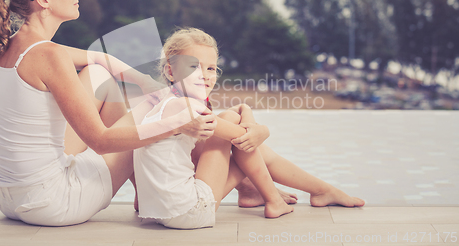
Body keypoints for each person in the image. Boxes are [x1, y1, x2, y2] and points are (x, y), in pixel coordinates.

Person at [0, 0, 216, 227]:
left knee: (99, 74)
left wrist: (145, 81)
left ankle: (141, 194)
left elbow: (102, 59)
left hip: (9, 198)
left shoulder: (17, 43)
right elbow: (101, 142)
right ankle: (167, 194)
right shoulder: (49, 55)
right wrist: (175, 121)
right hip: (52, 202)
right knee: (155, 110)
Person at [134, 28, 365, 229]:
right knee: (240, 134)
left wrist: (247, 112)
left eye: (211, 68)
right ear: (170, 71)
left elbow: (234, 126)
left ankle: (261, 192)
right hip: (189, 212)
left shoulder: (167, 102)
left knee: (232, 122)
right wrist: (262, 130)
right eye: (193, 66)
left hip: (161, 211)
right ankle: (279, 198)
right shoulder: (184, 108)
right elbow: (243, 136)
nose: (204, 75)